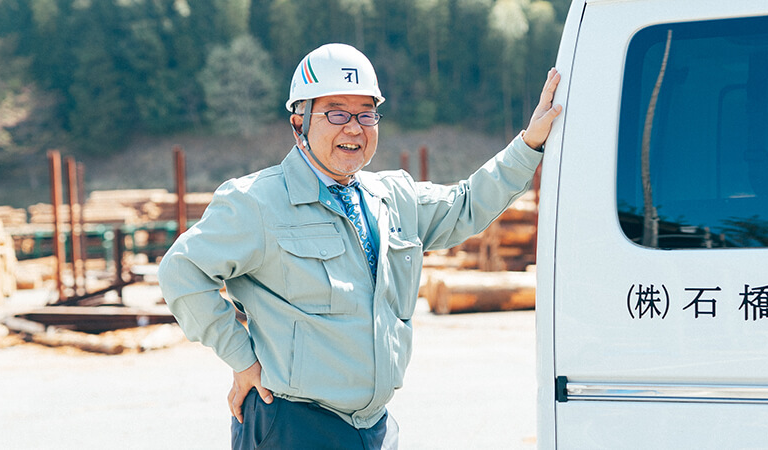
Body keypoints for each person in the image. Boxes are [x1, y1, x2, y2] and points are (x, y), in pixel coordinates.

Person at [159, 43, 562, 449]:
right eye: (336, 112)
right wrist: (241, 358)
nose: (353, 127)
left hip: (375, 428)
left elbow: (467, 204)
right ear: (298, 121)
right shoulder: (258, 202)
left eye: (366, 113)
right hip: (293, 426)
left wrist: (529, 145)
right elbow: (182, 271)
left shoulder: (392, 198)